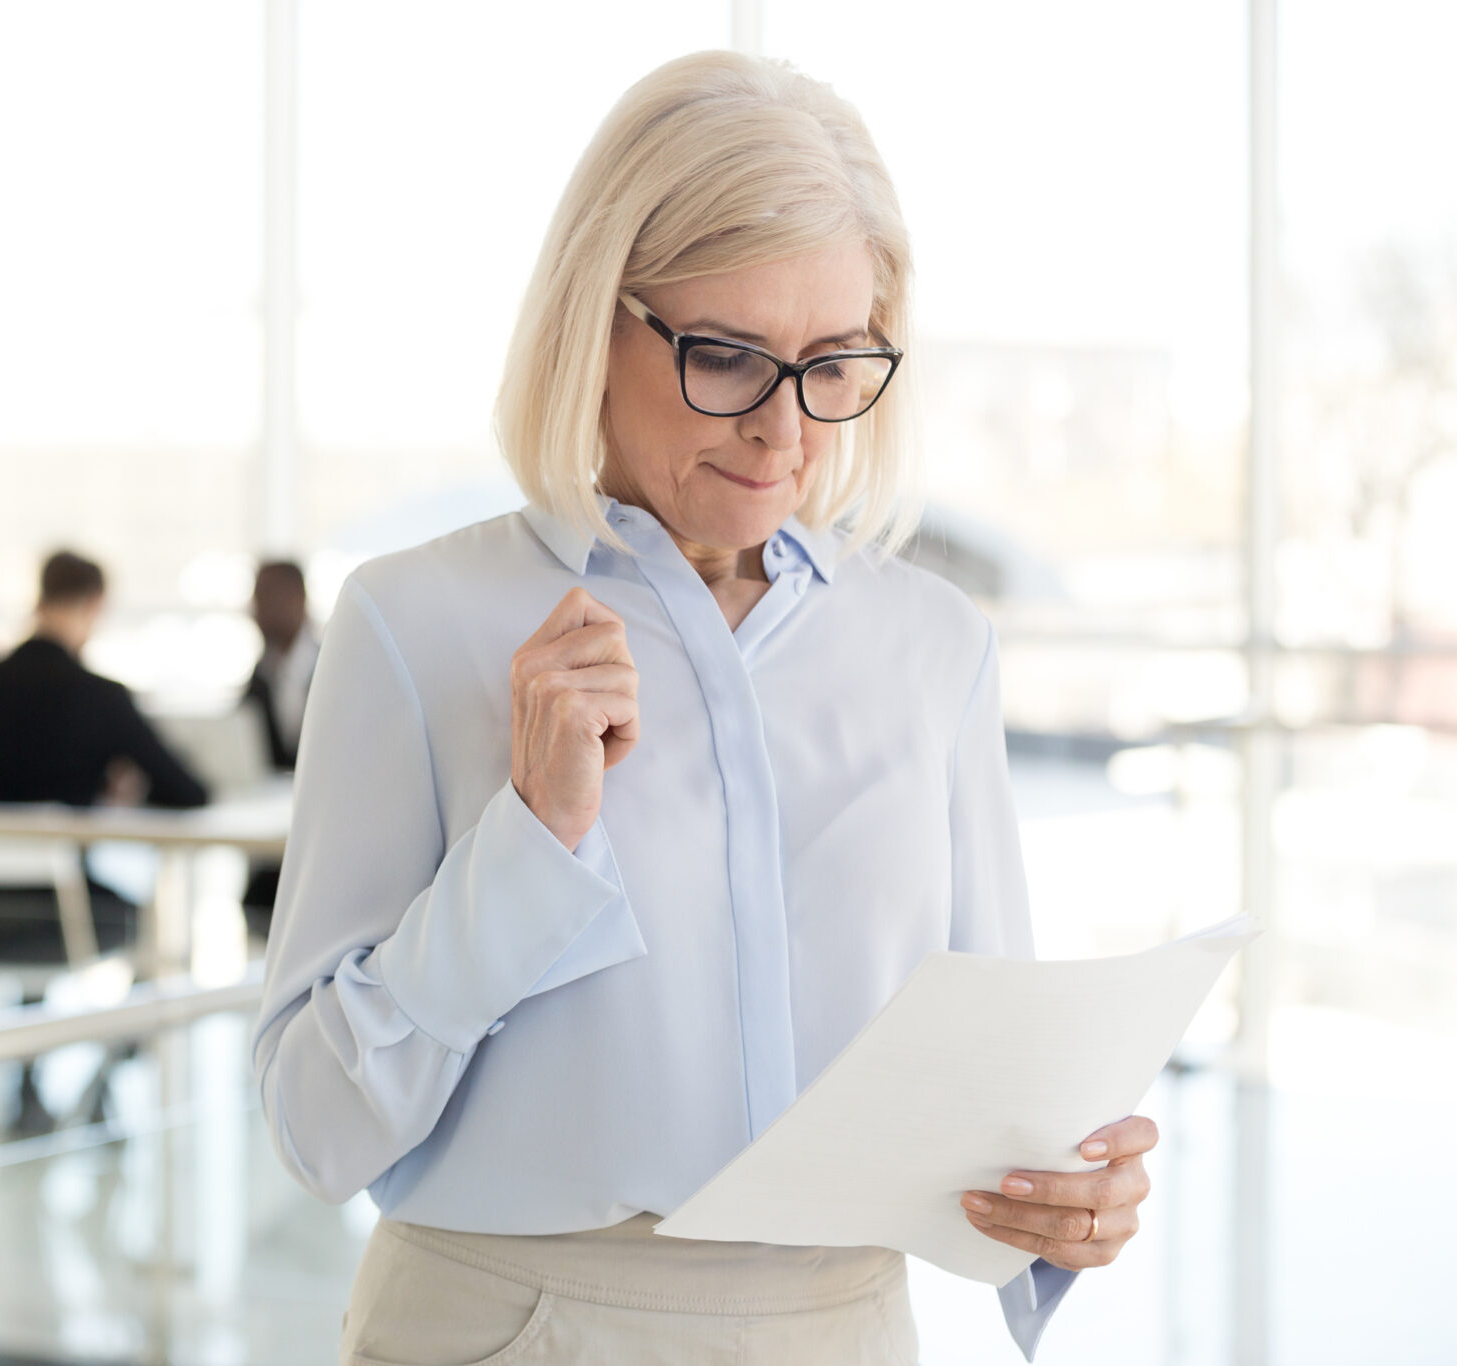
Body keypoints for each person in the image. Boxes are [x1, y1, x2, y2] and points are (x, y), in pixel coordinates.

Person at [250, 52, 1156, 1366]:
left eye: (832, 362)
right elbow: (315, 1125)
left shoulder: (933, 646)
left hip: (844, 1331)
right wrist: (531, 842)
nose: (785, 430)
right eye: (726, 357)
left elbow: (997, 1102)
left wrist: (1064, 1200)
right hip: (510, 1330)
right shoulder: (413, 624)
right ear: (594, 321)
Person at [0, 549, 211, 962]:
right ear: (95, 605)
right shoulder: (101, 698)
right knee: (140, 922)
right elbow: (189, 792)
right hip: (62, 917)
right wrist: (123, 788)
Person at [238, 559, 320, 943]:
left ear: (297, 599)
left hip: (321, 843)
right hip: (270, 842)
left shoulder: (335, 666)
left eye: (264, 598)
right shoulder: (258, 678)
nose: (256, 611)